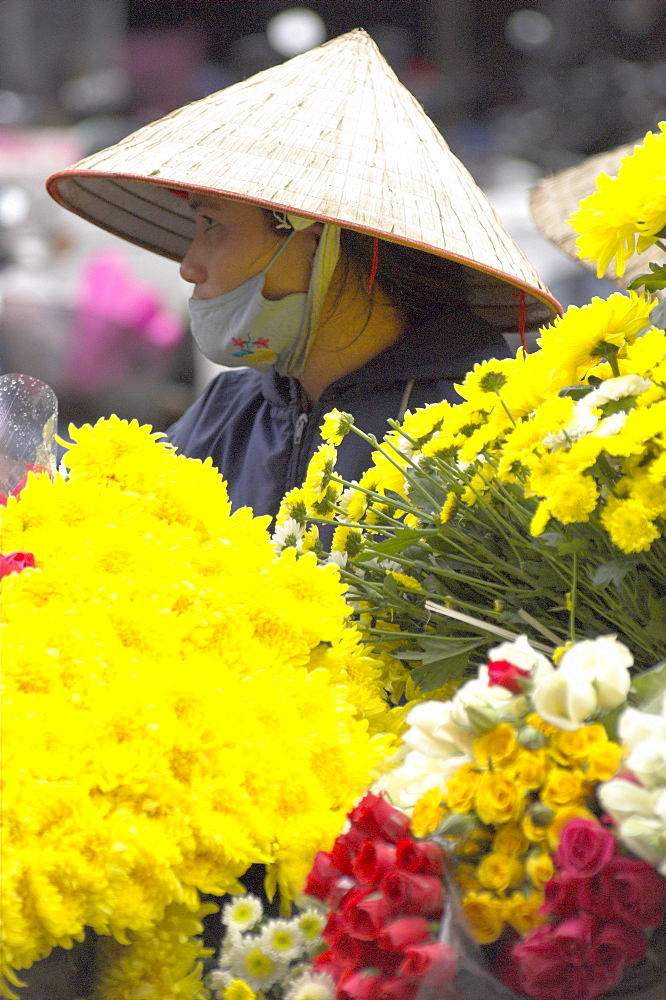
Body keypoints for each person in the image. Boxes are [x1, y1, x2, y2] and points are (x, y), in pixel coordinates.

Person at [47, 29, 560, 523]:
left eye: (211, 225)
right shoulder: (231, 411)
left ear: (316, 239)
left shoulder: (479, 423)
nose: (189, 265)